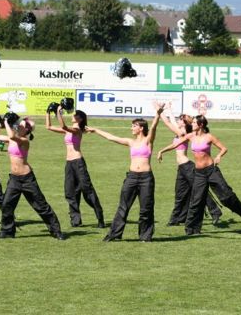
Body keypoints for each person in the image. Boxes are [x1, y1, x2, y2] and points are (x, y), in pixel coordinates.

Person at [157, 115, 241, 235]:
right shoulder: (191, 136)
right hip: (199, 173)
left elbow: (223, 148)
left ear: (201, 125)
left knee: (226, 195)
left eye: (195, 123)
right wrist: (161, 151)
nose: (192, 124)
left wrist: (218, 156)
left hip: (211, 171)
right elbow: (176, 144)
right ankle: (192, 229)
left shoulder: (209, 137)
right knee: (196, 201)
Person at [86, 102, 165, 242]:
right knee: (123, 207)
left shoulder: (148, 141)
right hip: (132, 177)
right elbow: (111, 137)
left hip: (146, 178)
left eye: (134, 126)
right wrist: (96, 130)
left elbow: (153, 127)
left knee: (146, 208)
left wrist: (158, 114)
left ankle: (145, 236)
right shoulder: (130, 142)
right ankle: (114, 234)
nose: (131, 128)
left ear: (141, 128)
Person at [0, 117, 66, 240]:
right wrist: (0, 123)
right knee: (7, 205)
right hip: (14, 179)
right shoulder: (11, 139)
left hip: (27, 178)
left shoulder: (24, 141)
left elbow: (12, 136)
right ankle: (7, 231)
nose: (18, 127)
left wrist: (6, 122)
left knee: (41, 205)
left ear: (27, 130)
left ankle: (56, 231)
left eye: (21, 126)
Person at [158, 104, 222, 226]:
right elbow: (171, 120)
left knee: (200, 191)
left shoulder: (183, 132)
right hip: (182, 168)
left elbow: (167, 122)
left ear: (184, 123)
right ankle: (178, 218)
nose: (177, 121)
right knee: (180, 193)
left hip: (187, 166)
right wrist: (169, 110)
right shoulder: (180, 131)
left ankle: (215, 211)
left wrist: (159, 112)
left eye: (179, 120)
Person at [45, 106, 105, 228]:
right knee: (70, 192)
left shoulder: (77, 130)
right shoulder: (69, 130)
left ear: (80, 119)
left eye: (75, 114)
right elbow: (49, 127)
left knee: (87, 191)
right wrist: (47, 112)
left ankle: (100, 217)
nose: (73, 115)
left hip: (78, 163)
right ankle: (75, 220)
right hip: (69, 164)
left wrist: (58, 112)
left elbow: (64, 127)